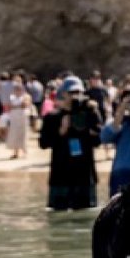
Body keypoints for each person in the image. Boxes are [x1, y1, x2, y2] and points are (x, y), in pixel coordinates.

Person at [39, 76, 103, 210]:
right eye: (72, 93)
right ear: (63, 94)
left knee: (86, 210)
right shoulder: (52, 117)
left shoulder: (91, 113)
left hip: (84, 173)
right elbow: (43, 143)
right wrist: (61, 131)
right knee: (58, 210)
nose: (76, 97)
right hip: (61, 174)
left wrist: (89, 130)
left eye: (79, 93)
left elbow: (98, 140)